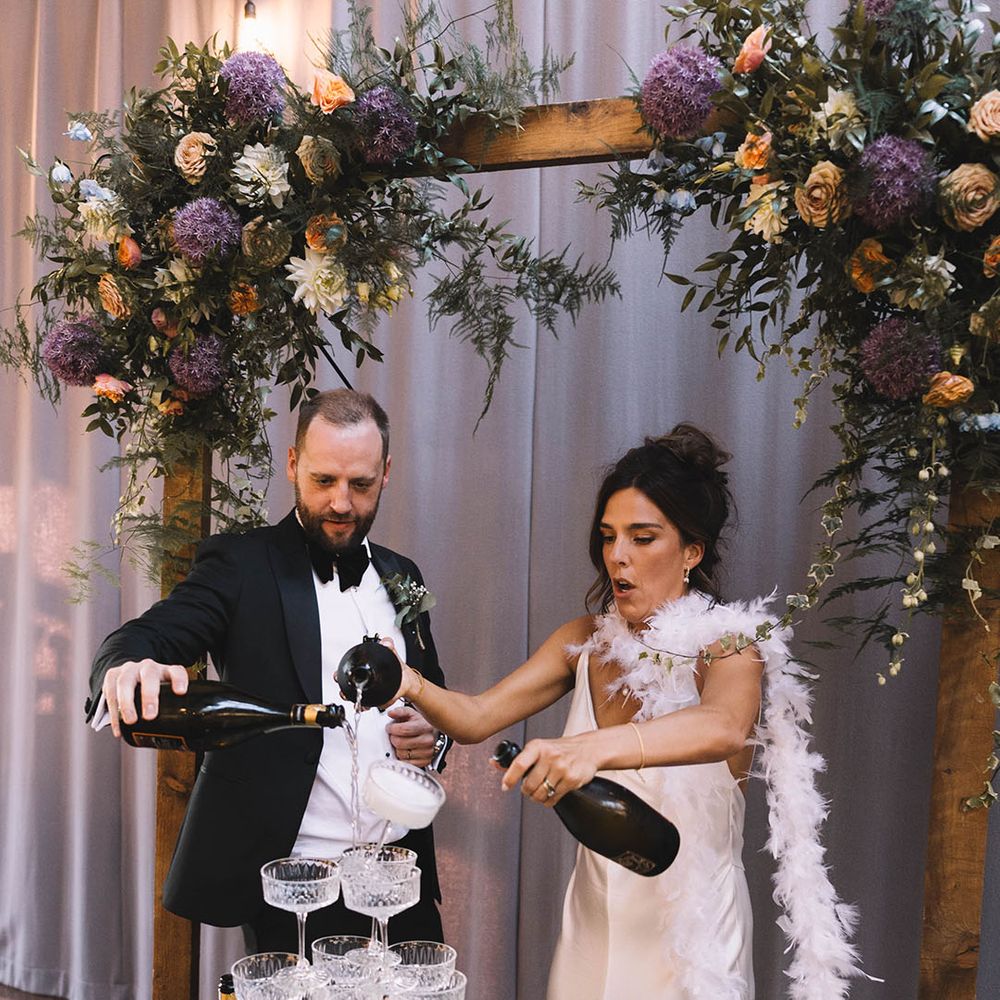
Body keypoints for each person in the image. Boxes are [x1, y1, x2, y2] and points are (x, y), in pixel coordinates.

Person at [386, 424, 861, 999]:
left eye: (642, 538)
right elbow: (474, 717)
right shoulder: (583, 642)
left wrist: (585, 750)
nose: (617, 557)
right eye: (609, 536)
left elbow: (724, 725)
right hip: (591, 929)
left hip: (692, 947)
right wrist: (404, 679)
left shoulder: (730, 646)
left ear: (691, 550)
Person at [85, 389, 447, 952]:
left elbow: (437, 699)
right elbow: (147, 635)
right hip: (298, 885)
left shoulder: (404, 575)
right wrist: (127, 664)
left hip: (399, 881)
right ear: (293, 464)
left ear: (387, 472)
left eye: (360, 484)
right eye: (324, 481)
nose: (342, 504)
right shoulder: (242, 565)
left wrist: (433, 739)